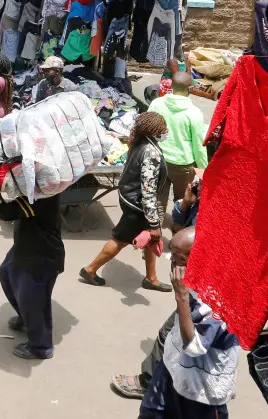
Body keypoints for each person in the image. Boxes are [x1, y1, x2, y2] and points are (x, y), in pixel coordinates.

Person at [111, 176, 201, 400]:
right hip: (195, 275)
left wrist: (182, 295)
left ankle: (147, 382)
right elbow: (179, 220)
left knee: (171, 332)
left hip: (205, 284)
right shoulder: (207, 195)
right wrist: (187, 203)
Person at [139, 227, 241, 418]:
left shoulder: (221, 300)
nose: (174, 266)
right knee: (149, 413)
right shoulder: (193, 278)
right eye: (173, 258)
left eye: (181, 260)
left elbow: (195, 347)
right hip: (171, 370)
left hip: (200, 391)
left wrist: (182, 297)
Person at [79, 112, 170, 291]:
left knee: (150, 239)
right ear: (154, 130)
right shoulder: (150, 152)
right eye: (163, 128)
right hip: (137, 206)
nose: (165, 131)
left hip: (129, 198)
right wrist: (154, 223)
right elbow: (148, 191)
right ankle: (90, 270)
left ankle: (151, 278)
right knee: (120, 239)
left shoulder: (139, 142)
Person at [0, 166, 64, 360]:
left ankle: (41, 346)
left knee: (34, 297)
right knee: (6, 273)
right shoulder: (38, 187)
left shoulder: (42, 195)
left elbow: (6, 213)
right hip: (27, 245)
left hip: (41, 253)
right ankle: (27, 317)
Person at [149, 70, 208, 222]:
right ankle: (177, 232)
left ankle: (154, 234)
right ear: (190, 89)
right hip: (183, 165)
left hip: (159, 159)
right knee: (183, 200)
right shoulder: (194, 113)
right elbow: (199, 145)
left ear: (172, 86)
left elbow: (147, 129)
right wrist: (203, 170)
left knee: (158, 199)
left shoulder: (156, 104)